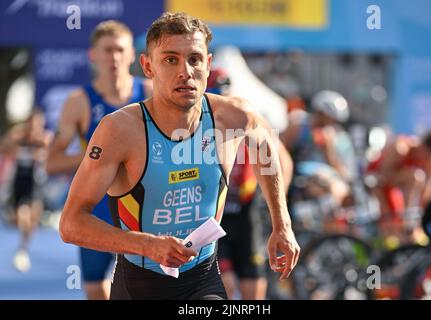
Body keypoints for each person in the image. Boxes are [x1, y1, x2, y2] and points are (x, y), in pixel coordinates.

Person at [59, 12, 300, 300]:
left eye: (194, 59)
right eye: (170, 59)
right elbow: (70, 223)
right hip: (138, 286)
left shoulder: (234, 116)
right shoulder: (119, 130)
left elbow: (267, 149)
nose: (185, 71)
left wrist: (281, 224)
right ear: (148, 66)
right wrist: (148, 245)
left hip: (202, 282)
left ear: (208, 65)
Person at [46, 20, 152, 299]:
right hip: (98, 208)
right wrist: (102, 153)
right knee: (95, 288)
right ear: (93, 55)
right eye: (107, 50)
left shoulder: (151, 94)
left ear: (132, 56)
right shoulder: (79, 102)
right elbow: (52, 162)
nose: (114, 57)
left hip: (142, 207)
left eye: (120, 50)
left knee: (146, 288)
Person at [207, 68, 293, 300]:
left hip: (247, 211)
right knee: (225, 285)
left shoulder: (243, 114)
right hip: (216, 215)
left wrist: (274, 200)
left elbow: (282, 159)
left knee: (255, 291)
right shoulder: (197, 117)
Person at [0, 109, 52, 272]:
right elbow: (4, 147)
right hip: (20, 181)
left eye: (38, 123)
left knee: (33, 220)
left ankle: (23, 248)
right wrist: (16, 133)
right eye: (31, 123)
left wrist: (41, 149)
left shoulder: (45, 138)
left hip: (36, 182)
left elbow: (51, 150)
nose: (34, 127)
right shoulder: (18, 138)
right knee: (22, 215)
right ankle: (21, 249)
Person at [366, 130, 431, 223]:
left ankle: (407, 218)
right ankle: (407, 217)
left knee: (397, 224)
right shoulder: (401, 148)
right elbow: (382, 177)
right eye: (428, 154)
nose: (428, 159)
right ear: (423, 146)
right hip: (376, 179)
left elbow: (427, 196)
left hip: (392, 186)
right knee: (415, 177)